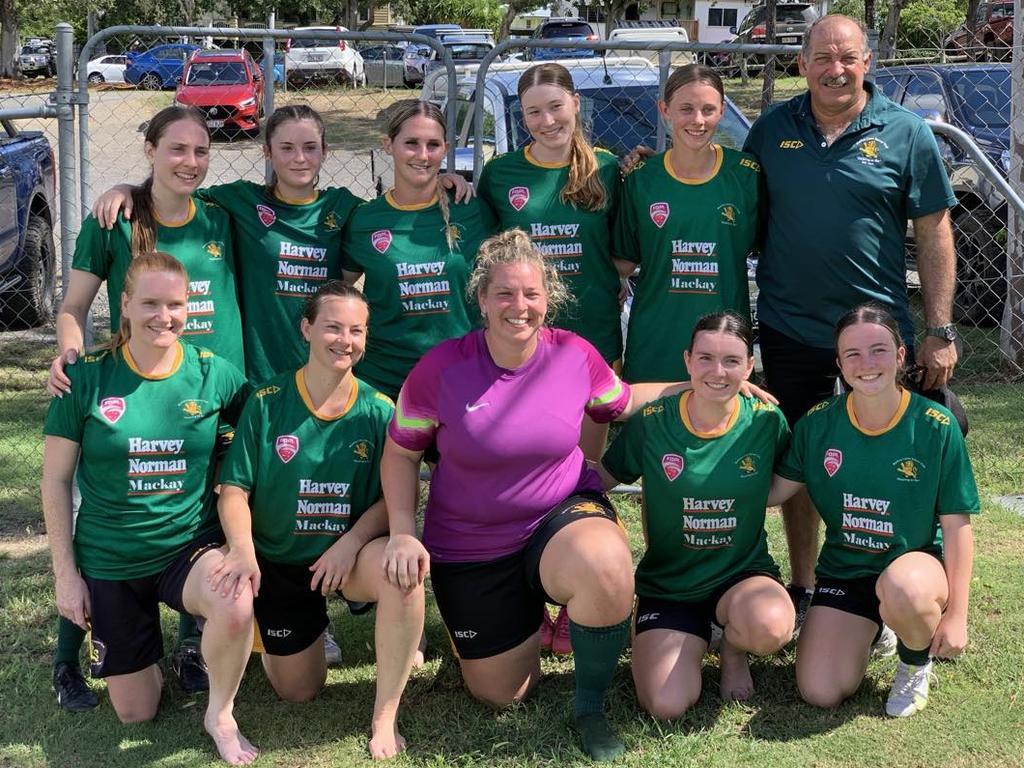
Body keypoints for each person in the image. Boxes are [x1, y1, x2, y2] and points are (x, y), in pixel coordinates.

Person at [381, 229, 698, 762]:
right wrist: (400, 533)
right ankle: (527, 621)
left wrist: (701, 384)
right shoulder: (441, 369)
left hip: (559, 515)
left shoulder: (573, 354)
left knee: (605, 563)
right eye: (504, 293)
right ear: (481, 299)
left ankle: (590, 706)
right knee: (501, 694)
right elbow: (400, 454)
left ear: (548, 299)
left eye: (531, 294)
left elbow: (621, 402)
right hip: (471, 545)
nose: (518, 306)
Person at [742, 14, 959, 619]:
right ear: (802, 63)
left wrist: (939, 330)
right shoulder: (770, 130)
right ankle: (809, 586)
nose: (835, 69)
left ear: (868, 62)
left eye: (847, 57)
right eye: (821, 58)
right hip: (792, 329)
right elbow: (734, 210)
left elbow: (935, 228)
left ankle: (898, 588)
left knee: (898, 459)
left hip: (878, 337)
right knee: (802, 461)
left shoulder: (906, 130)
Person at [46, 105, 243, 707]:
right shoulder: (116, 219)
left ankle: (192, 647)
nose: (189, 161)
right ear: (150, 149)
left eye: (201, 150)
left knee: (202, 515)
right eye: (175, 149)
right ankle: (69, 657)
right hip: (132, 385)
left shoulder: (225, 214)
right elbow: (73, 307)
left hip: (209, 392)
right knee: (111, 517)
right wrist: (74, 362)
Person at [41, 252, 257, 765]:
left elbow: (258, 438)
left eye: (176, 304)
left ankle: (219, 713)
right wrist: (65, 576)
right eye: (151, 303)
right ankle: (143, 657)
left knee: (236, 598)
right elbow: (54, 479)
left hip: (187, 547)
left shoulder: (214, 374)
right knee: (136, 711)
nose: (165, 316)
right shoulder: (85, 378)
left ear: (189, 308)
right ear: (125, 306)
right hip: (111, 557)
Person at [90, 103, 473, 385]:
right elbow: (175, 188)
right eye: (286, 148)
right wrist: (126, 189)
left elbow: (398, 215)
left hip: (326, 368)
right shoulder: (239, 201)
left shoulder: (347, 209)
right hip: (261, 374)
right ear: (267, 152)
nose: (299, 158)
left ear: (325, 151)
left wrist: (441, 181)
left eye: (310, 147)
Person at [210, 281, 423, 760]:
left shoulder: (379, 410)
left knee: (403, 573)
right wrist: (242, 548)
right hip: (282, 565)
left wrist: (351, 542)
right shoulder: (266, 402)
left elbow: (397, 497)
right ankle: (273, 632)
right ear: (306, 328)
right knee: (298, 691)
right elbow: (234, 491)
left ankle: (385, 716)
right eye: (332, 327)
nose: (344, 340)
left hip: (349, 556)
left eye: (356, 330)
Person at [475, 61, 628, 653]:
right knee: (528, 476)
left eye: (555, 108)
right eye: (533, 111)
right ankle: (527, 596)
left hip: (588, 345)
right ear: (521, 117)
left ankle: (576, 598)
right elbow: (486, 251)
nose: (546, 120)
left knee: (582, 478)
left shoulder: (608, 170)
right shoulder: (501, 175)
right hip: (520, 348)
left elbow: (622, 254)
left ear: (575, 109)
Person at [768, 302, 978, 717]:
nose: (867, 364)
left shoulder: (935, 425)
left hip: (913, 567)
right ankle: (879, 625)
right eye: (853, 354)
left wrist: (957, 616)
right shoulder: (816, 425)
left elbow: (957, 526)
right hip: (846, 572)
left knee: (904, 588)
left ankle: (914, 662)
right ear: (840, 365)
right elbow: (774, 492)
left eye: (879, 350)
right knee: (820, 690)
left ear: (901, 356)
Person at [598, 312, 794, 718]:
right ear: (687, 361)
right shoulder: (654, 423)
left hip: (742, 577)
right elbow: (601, 478)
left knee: (772, 625)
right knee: (666, 705)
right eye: (705, 358)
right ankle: (683, 633)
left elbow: (791, 476)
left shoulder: (766, 421)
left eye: (731, 361)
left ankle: (733, 650)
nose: (717, 372)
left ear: (749, 367)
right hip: (671, 585)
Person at [341, 100, 494, 401]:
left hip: (461, 376)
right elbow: (340, 289)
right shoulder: (364, 219)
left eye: (433, 145)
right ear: (388, 145)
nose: (423, 155)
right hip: (384, 379)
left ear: (446, 149)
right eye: (411, 143)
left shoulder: (470, 208)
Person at [616, 64, 759, 385]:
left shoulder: (747, 175)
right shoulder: (641, 179)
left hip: (724, 340)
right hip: (656, 339)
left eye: (708, 109)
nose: (698, 120)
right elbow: (622, 262)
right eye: (686, 109)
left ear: (722, 111)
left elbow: (766, 244)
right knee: (650, 429)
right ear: (664, 110)